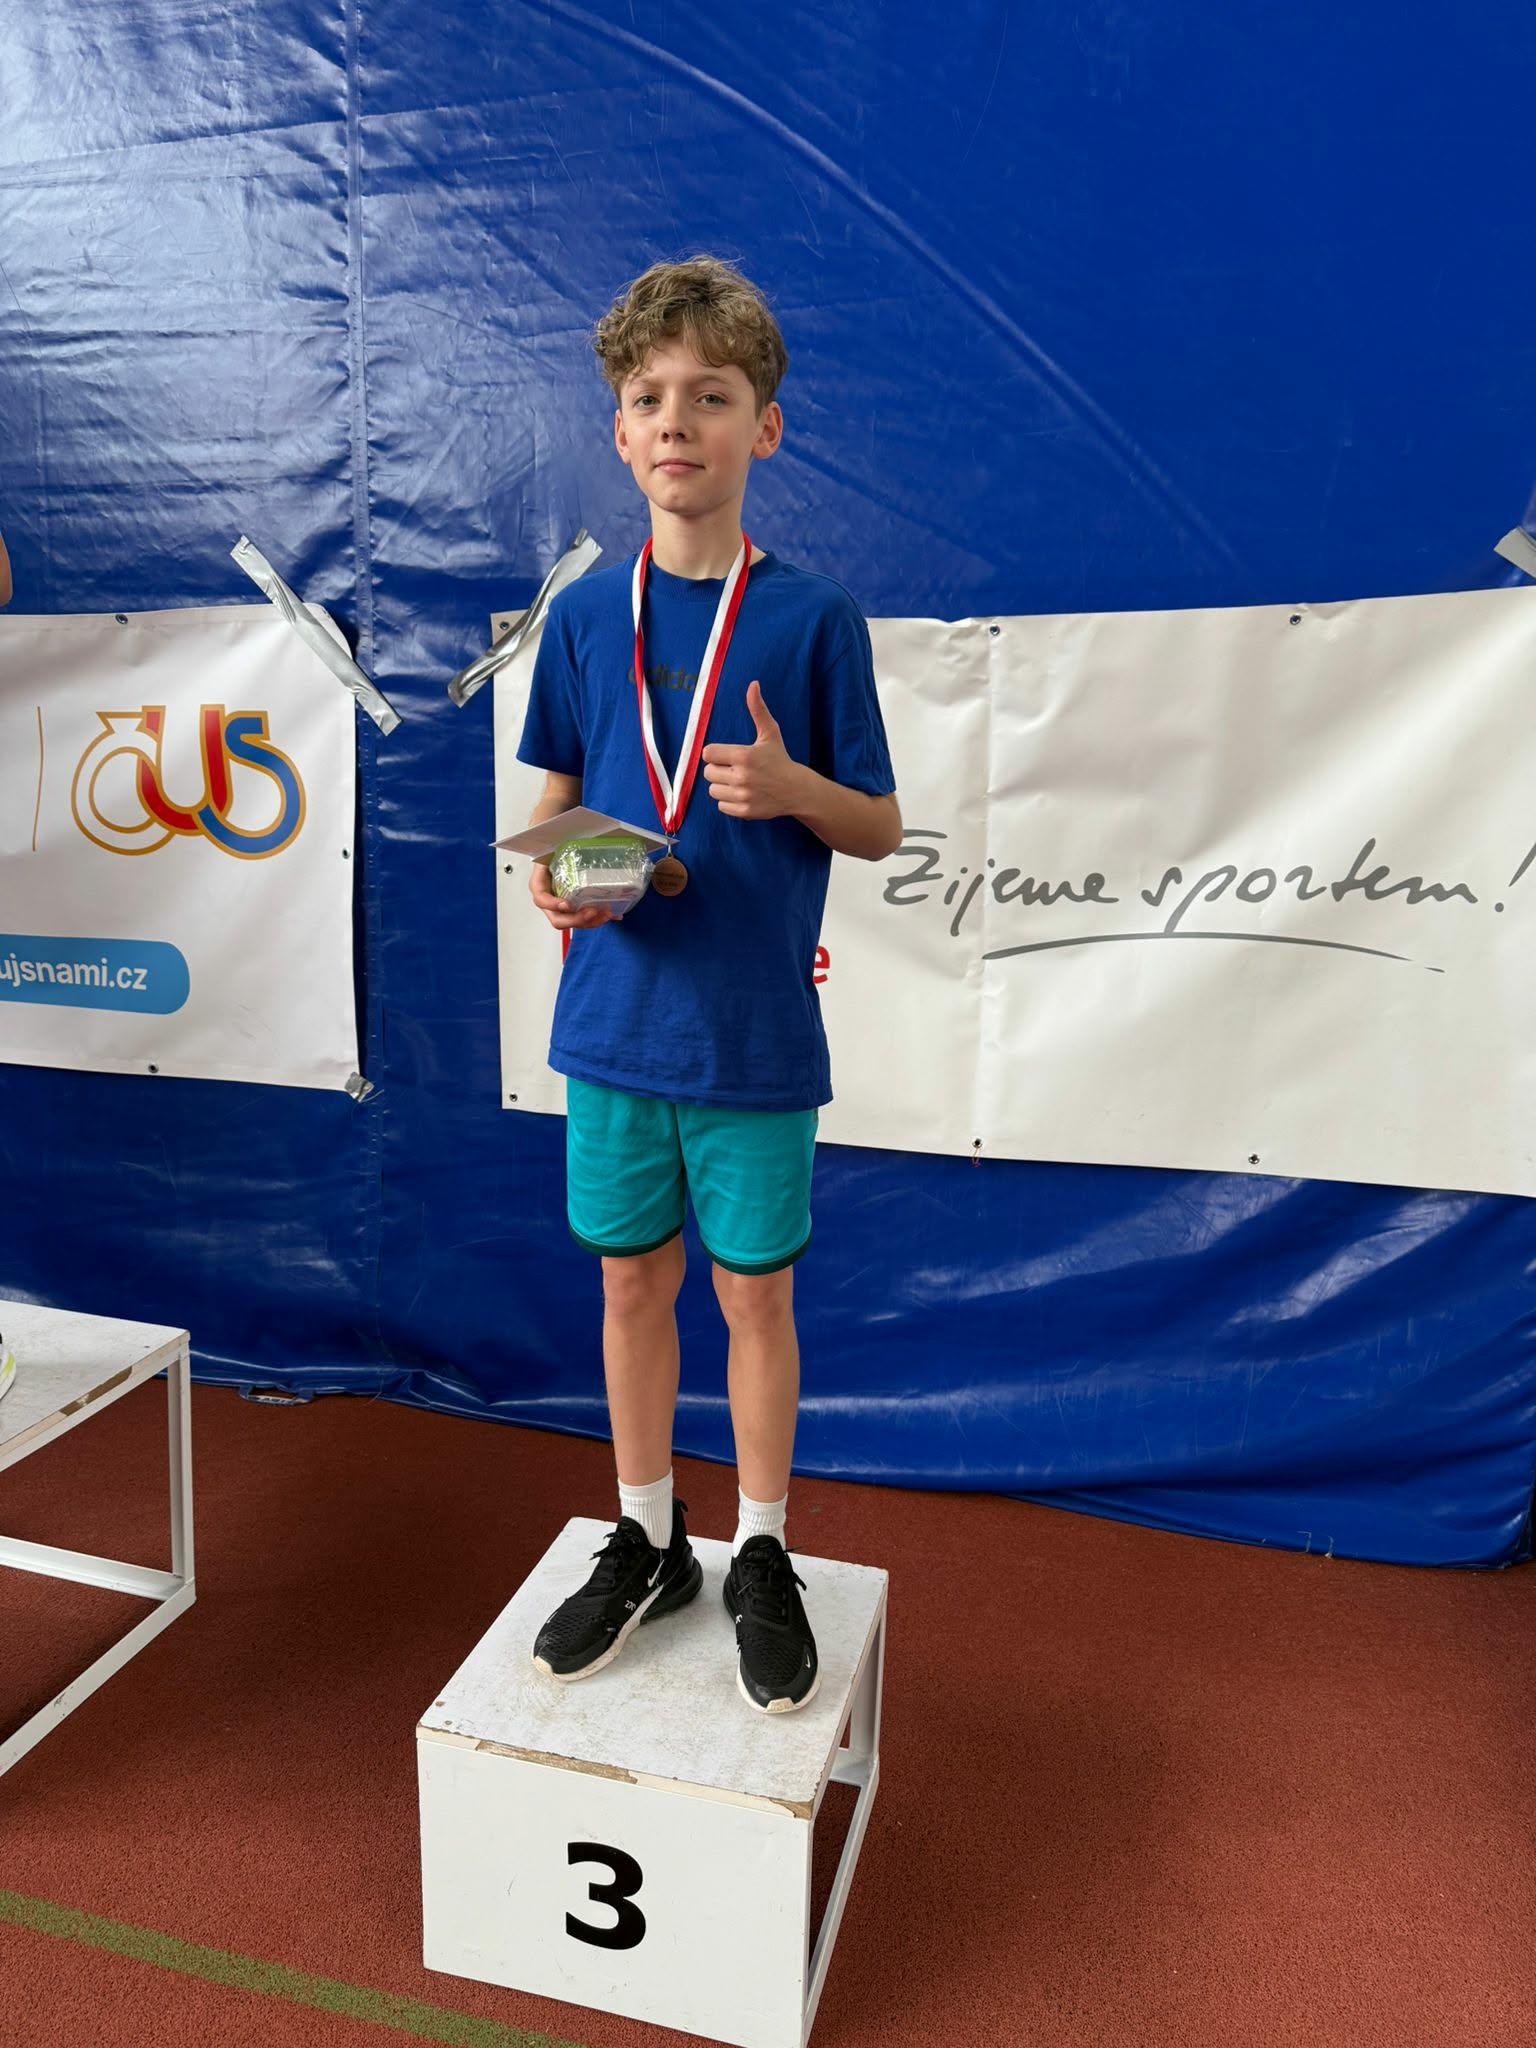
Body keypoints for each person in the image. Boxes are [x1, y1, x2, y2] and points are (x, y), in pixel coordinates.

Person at [516, 254, 901, 1714]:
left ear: (766, 428)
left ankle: (763, 1549)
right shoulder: (581, 619)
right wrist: (556, 877)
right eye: (648, 397)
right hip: (613, 1029)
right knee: (630, 1283)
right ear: (620, 434)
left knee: (753, 1296)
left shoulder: (812, 621)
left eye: (711, 395)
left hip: (752, 1038)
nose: (677, 420)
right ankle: (645, 1536)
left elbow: (880, 825)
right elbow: (552, 814)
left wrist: (797, 787)